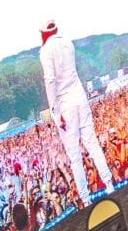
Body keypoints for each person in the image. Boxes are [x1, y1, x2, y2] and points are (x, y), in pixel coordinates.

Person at [38, 19, 114, 204]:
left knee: (75, 157)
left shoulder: (46, 50)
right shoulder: (68, 43)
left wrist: (55, 111)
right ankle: (109, 184)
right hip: (79, 97)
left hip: (65, 105)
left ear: (43, 34)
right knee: (92, 144)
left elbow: (50, 80)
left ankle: (86, 199)